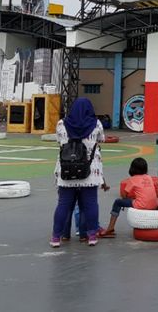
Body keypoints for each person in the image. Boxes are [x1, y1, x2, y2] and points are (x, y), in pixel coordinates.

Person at [50, 98, 106, 248]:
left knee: (63, 205)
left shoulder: (61, 124)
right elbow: (102, 139)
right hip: (89, 171)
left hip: (67, 170)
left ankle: (56, 237)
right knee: (90, 204)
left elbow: (59, 141)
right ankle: (91, 236)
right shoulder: (96, 124)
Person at [99, 158, 158, 237]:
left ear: (132, 168)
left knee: (118, 202)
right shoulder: (149, 177)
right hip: (154, 204)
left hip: (142, 205)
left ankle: (110, 228)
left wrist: (127, 199)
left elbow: (124, 195)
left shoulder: (132, 179)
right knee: (138, 200)